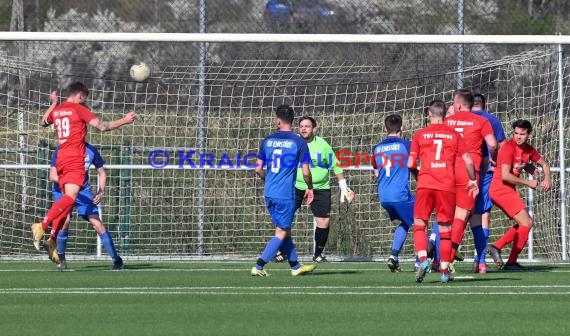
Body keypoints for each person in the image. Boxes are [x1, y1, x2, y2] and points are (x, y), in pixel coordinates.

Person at [31, 82, 136, 263]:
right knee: (70, 199)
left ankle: (52, 238)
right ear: (79, 95)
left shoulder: (58, 111)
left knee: (67, 203)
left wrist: (54, 103)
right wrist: (124, 120)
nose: (84, 101)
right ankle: (41, 225)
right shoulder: (78, 109)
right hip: (74, 158)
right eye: (84, 98)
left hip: (62, 156)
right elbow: (102, 126)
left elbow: (43, 122)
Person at [408, 100, 478, 283]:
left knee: (419, 224)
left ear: (429, 114)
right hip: (447, 187)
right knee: (445, 229)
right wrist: (472, 180)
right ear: (444, 116)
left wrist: (418, 175)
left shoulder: (420, 135)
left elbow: (409, 164)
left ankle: (423, 260)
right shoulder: (453, 134)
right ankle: (445, 271)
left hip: (425, 184)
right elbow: (469, 160)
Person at [251, 104, 317, 277]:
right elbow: (305, 172)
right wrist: (310, 188)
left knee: (284, 229)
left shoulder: (267, 140)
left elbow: (257, 169)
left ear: (278, 120)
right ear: (293, 122)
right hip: (285, 194)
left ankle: (295, 267)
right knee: (281, 232)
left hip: (269, 192)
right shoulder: (298, 142)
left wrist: (269, 180)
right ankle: (259, 266)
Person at [444, 89, 497, 273]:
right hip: (470, 174)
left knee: (448, 217)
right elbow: (492, 144)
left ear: (458, 105)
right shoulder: (482, 121)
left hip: (447, 171)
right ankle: (461, 261)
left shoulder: (448, 121)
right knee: (471, 217)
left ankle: (439, 260)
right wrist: (495, 159)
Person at [487, 119, 551, 271]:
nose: (518, 136)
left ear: (529, 135)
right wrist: (528, 183)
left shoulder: (529, 149)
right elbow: (505, 176)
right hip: (500, 189)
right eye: (516, 133)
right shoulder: (508, 147)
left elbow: (545, 164)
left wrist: (547, 178)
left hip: (507, 190)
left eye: (522, 134)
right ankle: (507, 257)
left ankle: (498, 248)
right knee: (527, 223)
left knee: (526, 223)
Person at [49, 142, 123, 270]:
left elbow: (102, 173)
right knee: (65, 220)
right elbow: (52, 175)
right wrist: (70, 182)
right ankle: (61, 258)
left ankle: (117, 260)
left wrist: (101, 191)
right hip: (62, 189)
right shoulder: (61, 149)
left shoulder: (91, 150)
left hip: (83, 191)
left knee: (98, 224)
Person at [293, 116, 354, 262]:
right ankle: (281, 251)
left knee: (324, 221)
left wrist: (344, 187)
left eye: (307, 126)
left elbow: (335, 165)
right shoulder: (294, 143)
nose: (303, 129)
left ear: (314, 129)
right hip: (297, 186)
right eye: (301, 126)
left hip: (320, 187)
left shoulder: (322, 145)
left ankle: (318, 254)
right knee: (286, 216)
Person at [469, 94, 507, 274]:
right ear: (486, 104)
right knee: (483, 214)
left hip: (460, 171)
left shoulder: (460, 119)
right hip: (484, 173)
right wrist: (497, 163)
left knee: (454, 214)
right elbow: (501, 147)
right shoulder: (492, 120)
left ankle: (440, 260)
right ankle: (480, 260)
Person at [373, 114, 415, 272]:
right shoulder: (406, 145)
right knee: (420, 220)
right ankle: (421, 260)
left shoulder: (377, 148)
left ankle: (394, 257)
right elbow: (413, 163)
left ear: (385, 129)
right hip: (400, 195)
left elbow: (376, 173)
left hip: (383, 196)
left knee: (406, 221)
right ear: (402, 128)